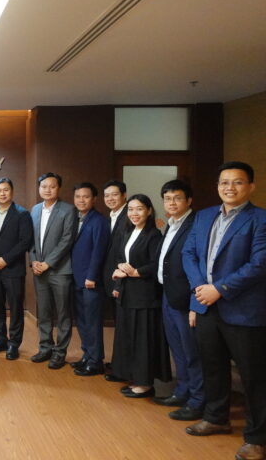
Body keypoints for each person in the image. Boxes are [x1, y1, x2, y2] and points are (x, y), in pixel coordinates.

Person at [183, 161, 266, 460]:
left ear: (251, 186)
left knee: (253, 376)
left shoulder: (260, 219)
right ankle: (216, 417)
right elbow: (188, 253)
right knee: (213, 366)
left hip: (243, 309)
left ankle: (257, 438)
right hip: (206, 305)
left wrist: (220, 289)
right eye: (224, 182)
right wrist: (200, 288)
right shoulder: (204, 216)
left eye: (237, 182)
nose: (229, 187)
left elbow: (259, 263)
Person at [110, 194, 171, 398]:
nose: (134, 213)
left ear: (149, 211)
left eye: (139, 209)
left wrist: (134, 272)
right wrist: (120, 269)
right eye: (131, 209)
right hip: (128, 294)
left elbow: (155, 265)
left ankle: (145, 384)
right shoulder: (128, 232)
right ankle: (133, 377)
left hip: (145, 296)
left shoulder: (154, 235)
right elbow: (121, 258)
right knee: (129, 337)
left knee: (143, 340)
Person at [152, 179, 203, 421]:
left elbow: (199, 265)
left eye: (177, 198)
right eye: (167, 198)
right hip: (168, 295)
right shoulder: (170, 225)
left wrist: (195, 302)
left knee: (192, 352)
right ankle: (182, 391)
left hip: (185, 299)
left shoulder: (196, 225)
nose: (172, 202)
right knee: (178, 350)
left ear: (189, 200)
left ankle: (197, 400)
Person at [29, 172, 77, 369]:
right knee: (44, 311)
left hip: (60, 270)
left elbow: (67, 239)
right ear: (39, 188)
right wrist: (33, 260)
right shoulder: (35, 210)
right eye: (44, 186)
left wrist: (48, 263)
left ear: (59, 188)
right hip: (39, 270)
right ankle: (45, 347)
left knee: (63, 313)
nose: (47, 190)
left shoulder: (68, 210)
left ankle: (60, 352)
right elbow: (31, 239)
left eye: (52, 186)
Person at [0, 177, 33, 361]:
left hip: (13, 269)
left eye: (6, 190)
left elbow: (25, 241)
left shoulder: (22, 214)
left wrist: (6, 259)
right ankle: (1, 339)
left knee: (15, 307)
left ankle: (14, 343)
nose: (2, 193)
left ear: (12, 192)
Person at [69, 182, 109, 376]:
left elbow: (99, 251)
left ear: (94, 199)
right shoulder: (75, 218)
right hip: (77, 278)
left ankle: (96, 361)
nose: (81, 200)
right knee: (82, 320)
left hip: (90, 281)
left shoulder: (99, 221)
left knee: (92, 322)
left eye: (86, 197)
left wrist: (92, 276)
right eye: (78, 196)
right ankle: (87, 355)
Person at [102, 180, 128, 382]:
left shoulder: (128, 216)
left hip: (124, 282)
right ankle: (119, 363)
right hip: (112, 280)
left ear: (124, 195)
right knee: (119, 326)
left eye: (114, 194)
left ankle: (124, 369)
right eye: (107, 195)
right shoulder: (111, 217)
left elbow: (126, 254)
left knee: (125, 327)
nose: (110, 198)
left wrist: (119, 284)